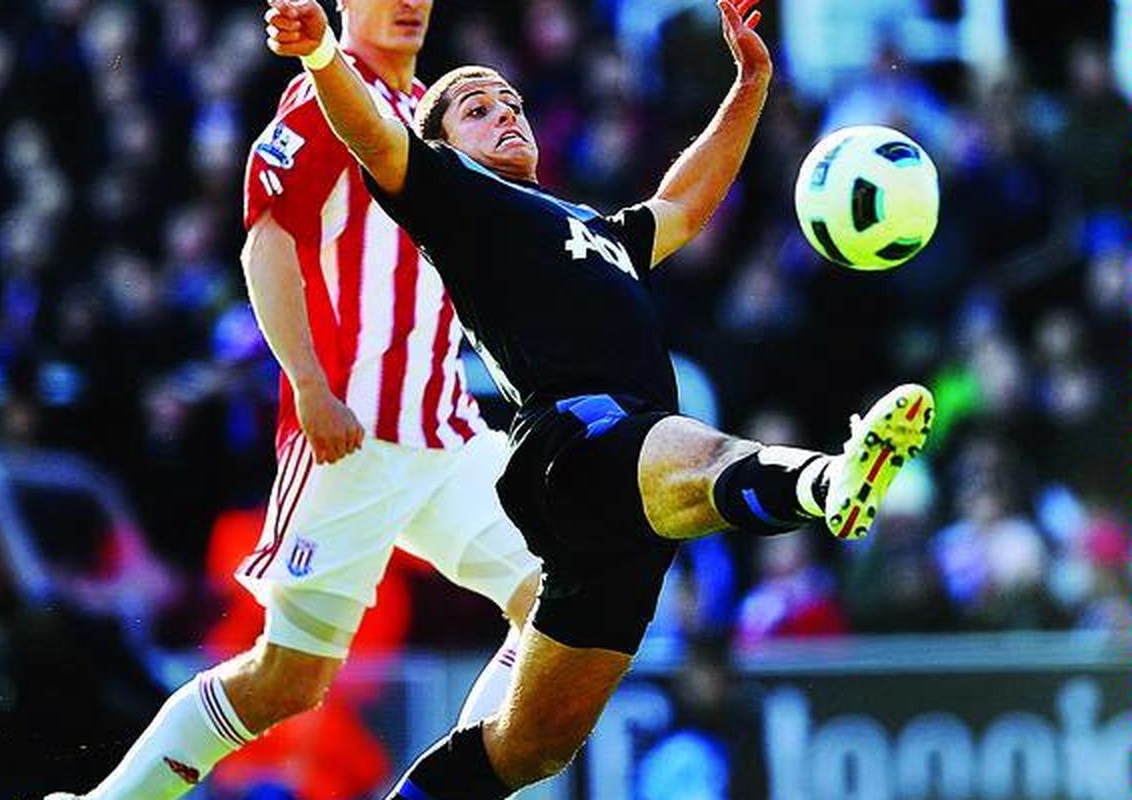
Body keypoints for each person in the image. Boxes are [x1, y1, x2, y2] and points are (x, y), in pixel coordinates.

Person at [264, 0, 936, 796]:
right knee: (703, 448)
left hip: (622, 504)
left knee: (529, 748)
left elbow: (684, 203)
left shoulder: (587, 225)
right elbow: (375, 136)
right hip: (573, 444)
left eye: (511, 103)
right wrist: (320, 57)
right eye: (477, 109)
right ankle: (832, 481)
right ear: (440, 142)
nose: (504, 113)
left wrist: (751, 82)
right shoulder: (454, 198)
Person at [45, 1, 542, 797]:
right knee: (288, 680)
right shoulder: (323, 99)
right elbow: (264, 240)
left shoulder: (431, 115)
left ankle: (448, 792)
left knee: (558, 594)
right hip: (353, 437)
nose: (408, 3)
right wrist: (310, 386)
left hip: (444, 426)